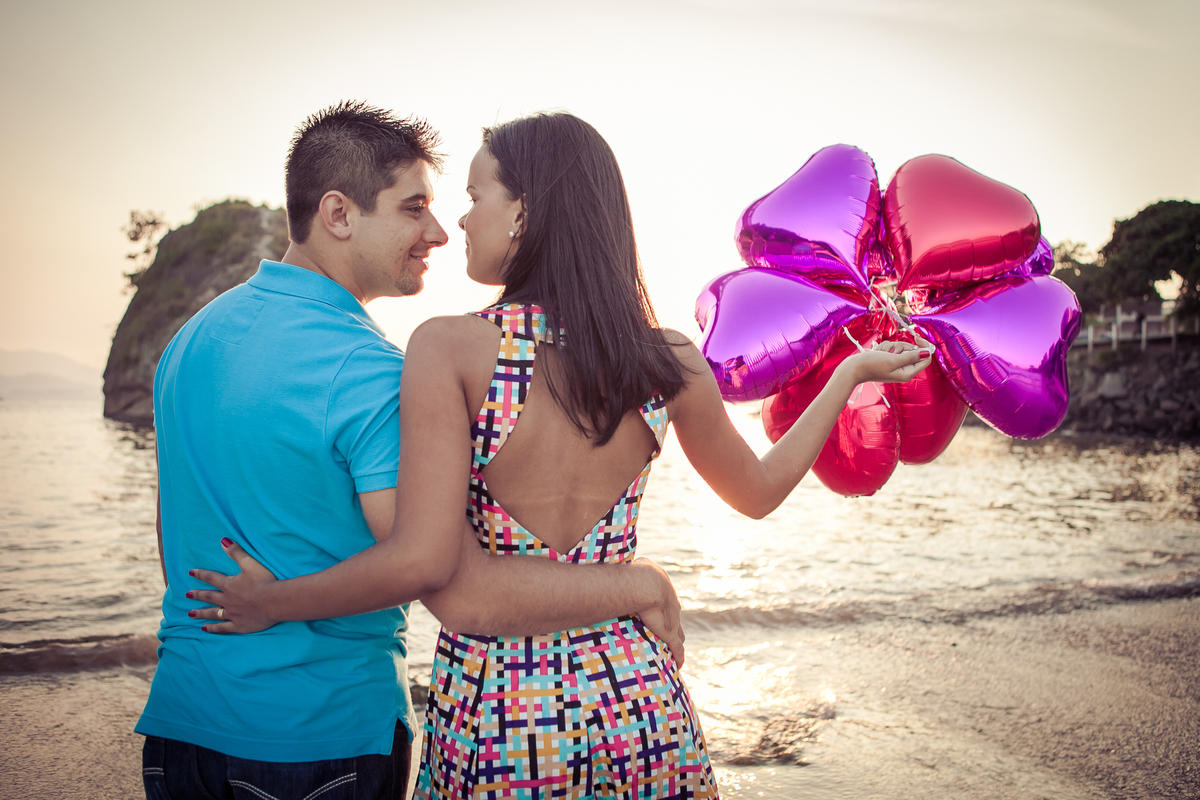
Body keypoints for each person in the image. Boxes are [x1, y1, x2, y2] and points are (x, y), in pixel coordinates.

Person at [190, 112, 931, 798]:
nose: (458, 221)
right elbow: (760, 491)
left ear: (525, 210)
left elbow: (457, 590)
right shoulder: (668, 360)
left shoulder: (449, 348)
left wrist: (274, 601)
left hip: (504, 717)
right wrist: (845, 376)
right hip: (642, 705)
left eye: (475, 196)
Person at [136, 103, 683, 800]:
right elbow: (436, 572)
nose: (437, 232)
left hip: (180, 730)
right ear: (339, 214)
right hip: (317, 738)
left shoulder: (189, 343)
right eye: (413, 208)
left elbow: (174, 538)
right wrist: (640, 584)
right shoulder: (368, 371)